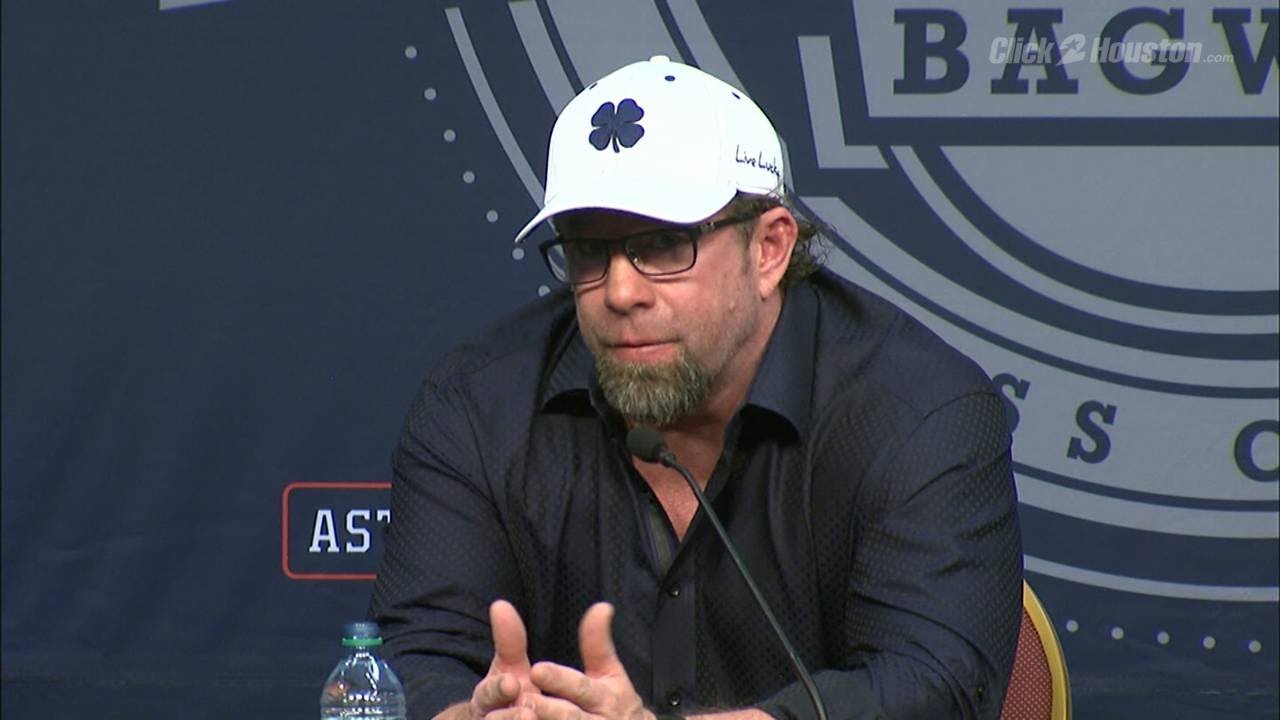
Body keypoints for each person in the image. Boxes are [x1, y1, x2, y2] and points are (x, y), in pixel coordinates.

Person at [370, 56, 1022, 720]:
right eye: (589, 253)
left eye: (662, 245)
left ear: (768, 249)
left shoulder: (918, 410)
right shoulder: (479, 406)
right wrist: (471, 714)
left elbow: (931, 685)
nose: (620, 292)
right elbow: (411, 663)